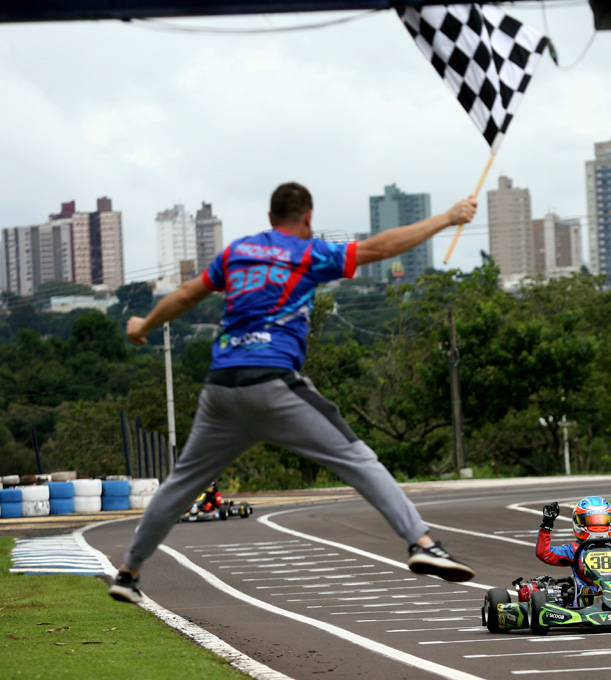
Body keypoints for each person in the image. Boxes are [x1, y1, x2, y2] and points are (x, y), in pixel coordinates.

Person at [109, 182, 478, 604]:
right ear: (308, 218)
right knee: (358, 459)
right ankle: (423, 543)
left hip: (221, 390)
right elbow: (378, 249)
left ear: (269, 218)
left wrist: (143, 325)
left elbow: (188, 293)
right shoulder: (308, 252)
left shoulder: (237, 252)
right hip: (272, 383)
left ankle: (129, 572)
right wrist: (448, 218)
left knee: (179, 487)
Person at [535, 495, 611, 605]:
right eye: (591, 521)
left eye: (603, 520)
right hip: (585, 594)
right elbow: (544, 553)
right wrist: (547, 524)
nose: (598, 525)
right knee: (586, 593)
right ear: (578, 523)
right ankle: (590, 602)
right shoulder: (573, 550)